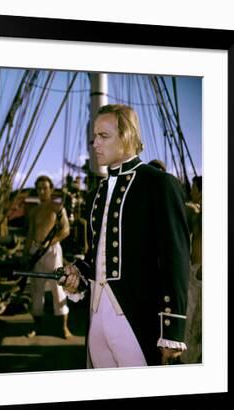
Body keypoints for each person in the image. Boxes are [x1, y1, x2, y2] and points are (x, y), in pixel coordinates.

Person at [60, 104, 190, 367]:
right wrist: (78, 276)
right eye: (94, 136)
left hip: (137, 317)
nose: (95, 144)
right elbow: (97, 257)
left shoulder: (159, 184)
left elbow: (175, 260)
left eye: (103, 136)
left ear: (128, 136)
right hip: (96, 316)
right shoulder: (97, 192)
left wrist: (171, 331)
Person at [24, 175, 72, 339]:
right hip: (36, 252)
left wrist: (51, 242)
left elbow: (66, 230)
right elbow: (30, 234)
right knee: (36, 291)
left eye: (45, 188)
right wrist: (25, 254)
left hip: (52, 252)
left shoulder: (57, 208)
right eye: (39, 188)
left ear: (50, 189)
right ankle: (35, 326)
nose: (42, 191)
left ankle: (64, 328)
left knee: (58, 288)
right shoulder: (34, 211)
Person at [181, 175, 202, 363]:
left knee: (192, 322)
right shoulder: (196, 212)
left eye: (194, 188)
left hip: (198, 275)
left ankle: (188, 361)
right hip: (197, 273)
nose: (191, 191)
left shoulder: (196, 212)